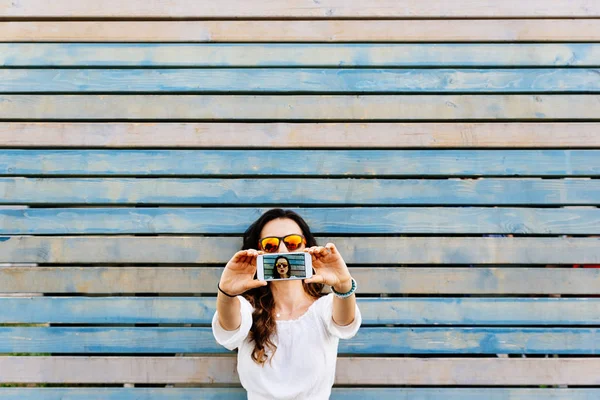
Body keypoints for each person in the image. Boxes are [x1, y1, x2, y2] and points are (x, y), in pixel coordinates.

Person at [212, 208, 361, 399]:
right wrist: (226, 292)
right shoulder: (247, 310)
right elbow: (229, 326)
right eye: (271, 245)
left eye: (292, 243)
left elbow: (345, 321)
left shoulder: (324, 308)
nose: (282, 251)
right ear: (259, 252)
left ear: (306, 247)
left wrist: (343, 285)